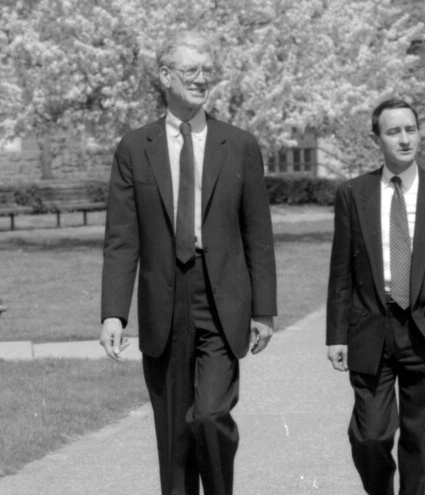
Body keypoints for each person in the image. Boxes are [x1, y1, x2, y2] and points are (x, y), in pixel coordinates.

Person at [99, 31, 277, 495]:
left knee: (212, 414)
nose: (202, 80)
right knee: (174, 435)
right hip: (164, 299)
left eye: (207, 71)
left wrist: (264, 310)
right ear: (165, 77)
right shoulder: (135, 148)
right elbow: (122, 239)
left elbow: (258, 233)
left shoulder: (238, 145)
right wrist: (114, 312)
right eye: (191, 71)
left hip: (221, 297)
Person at [326, 98, 425, 494]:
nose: (404, 139)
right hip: (370, 329)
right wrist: (336, 334)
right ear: (376, 138)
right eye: (393, 131)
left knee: (419, 440)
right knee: (370, 437)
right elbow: (341, 269)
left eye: (410, 129)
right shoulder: (353, 194)